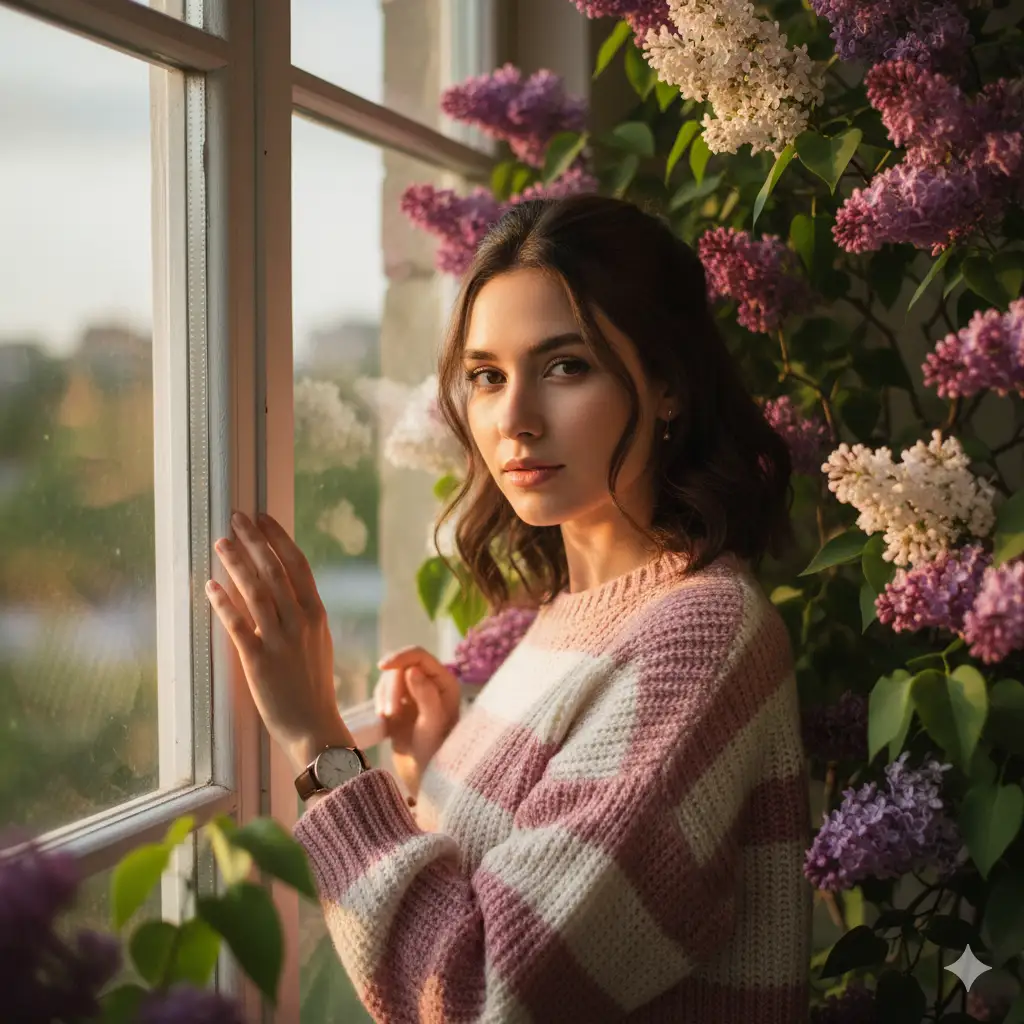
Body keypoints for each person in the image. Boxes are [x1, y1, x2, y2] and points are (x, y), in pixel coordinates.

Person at [206, 195, 812, 1023]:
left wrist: (320, 743)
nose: (515, 419)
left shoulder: (705, 639)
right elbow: (538, 891)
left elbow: (481, 993)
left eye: (566, 366)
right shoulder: (574, 610)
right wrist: (437, 774)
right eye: (488, 375)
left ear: (667, 386)